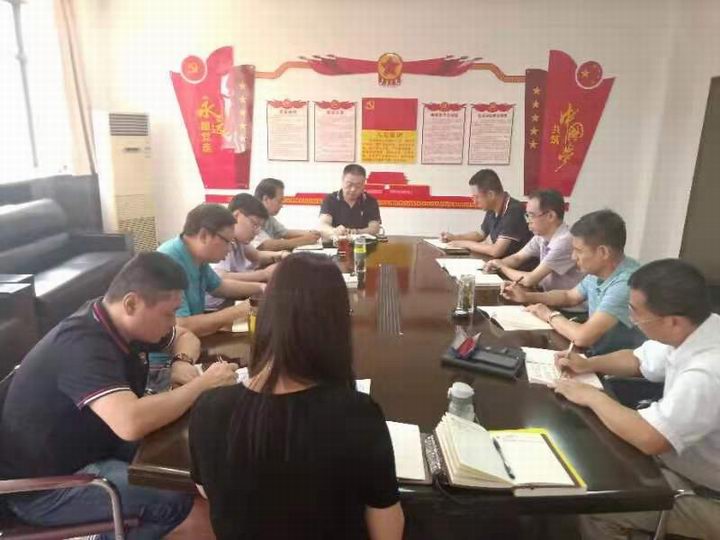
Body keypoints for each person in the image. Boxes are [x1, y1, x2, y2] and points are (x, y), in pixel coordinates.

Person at [0, 252, 238, 539]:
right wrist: (202, 385)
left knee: (193, 466)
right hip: (46, 487)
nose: (172, 321)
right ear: (131, 303)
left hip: (96, 445)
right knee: (182, 504)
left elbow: (185, 336)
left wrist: (181, 362)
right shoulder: (82, 344)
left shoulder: (121, 322)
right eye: (168, 313)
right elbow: (130, 423)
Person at [189, 253, 404, 539]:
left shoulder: (208, 408)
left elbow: (208, 491)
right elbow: (387, 531)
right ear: (336, 324)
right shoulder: (358, 414)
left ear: (266, 317)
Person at [552, 259, 720, 539]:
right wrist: (588, 364)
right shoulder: (700, 327)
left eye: (636, 312)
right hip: (683, 465)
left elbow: (651, 438)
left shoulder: (708, 371)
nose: (631, 320)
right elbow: (637, 359)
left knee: (597, 503)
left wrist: (592, 397)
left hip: (707, 495)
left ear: (673, 321)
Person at [502, 209, 644, 355]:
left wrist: (548, 315)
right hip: (598, 352)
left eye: (579, 251)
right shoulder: (601, 270)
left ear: (603, 252)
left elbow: (583, 337)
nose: (573, 257)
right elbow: (570, 296)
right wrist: (527, 297)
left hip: (612, 362)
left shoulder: (626, 283)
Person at [157, 203, 254, 337]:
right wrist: (239, 311)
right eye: (227, 242)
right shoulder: (167, 262)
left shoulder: (197, 256)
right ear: (204, 236)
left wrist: (262, 289)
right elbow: (181, 326)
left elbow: (220, 287)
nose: (229, 249)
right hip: (173, 348)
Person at [484, 189, 584, 292]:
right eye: (527, 215)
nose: (528, 221)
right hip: (546, 294)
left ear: (550, 216)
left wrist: (502, 267)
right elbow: (517, 258)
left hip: (563, 300)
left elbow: (530, 279)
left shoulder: (564, 241)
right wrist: (495, 264)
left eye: (531, 215)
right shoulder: (541, 236)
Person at [205, 193, 289, 310]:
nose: (257, 231)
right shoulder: (221, 240)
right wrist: (264, 274)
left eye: (259, 227)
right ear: (236, 216)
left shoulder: (240, 240)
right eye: (254, 224)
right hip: (216, 306)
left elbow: (257, 255)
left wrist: (281, 255)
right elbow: (221, 278)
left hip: (228, 300)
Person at [440, 169, 532, 257]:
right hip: (501, 263)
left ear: (490, 195)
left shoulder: (514, 211)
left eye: (477, 197)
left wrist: (462, 244)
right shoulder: (492, 208)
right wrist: (455, 237)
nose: (474, 202)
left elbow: (496, 251)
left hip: (519, 266)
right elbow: (480, 234)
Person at [253, 177, 322, 250]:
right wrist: (304, 240)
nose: (281, 206)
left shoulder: (268, 218)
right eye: (279, 201)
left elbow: (285, 233)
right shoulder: (252, 217)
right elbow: (265, 245)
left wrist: (310, 233)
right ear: (266, 199)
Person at [319, 164, 382, 237]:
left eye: (358, 186)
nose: (353, 189)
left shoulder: (370, 201)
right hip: (335, 242)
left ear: (364, 183)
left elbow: (374, 228)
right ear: (342, 180)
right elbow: (324, 225)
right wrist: (334, 231)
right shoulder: (330, 199)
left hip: (362, 242)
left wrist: (356, 232)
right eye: (349, 184)